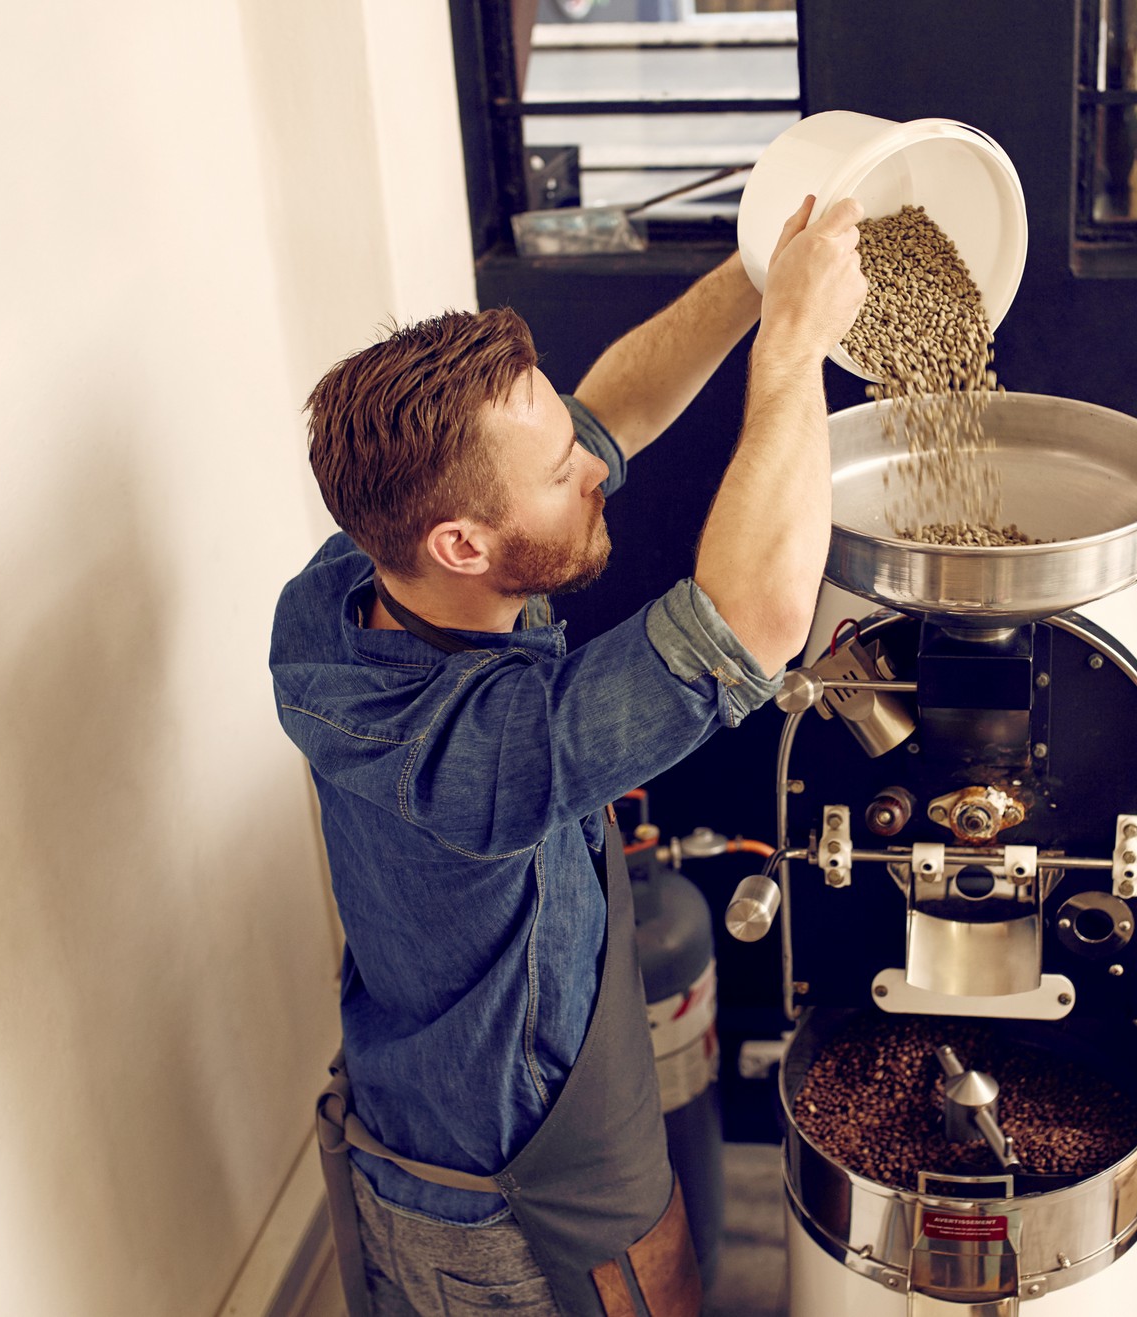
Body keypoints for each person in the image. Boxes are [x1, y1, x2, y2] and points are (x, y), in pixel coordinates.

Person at [269, 196, 866, 1317]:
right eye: (558, 473)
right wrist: (796, 348)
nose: (591, 469)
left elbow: (614, 411)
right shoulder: (484, 755)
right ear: (463, 544)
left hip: (437, 1113)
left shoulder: (346, 586)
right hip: (507, 1210)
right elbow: (757, 615)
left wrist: (754, 273)